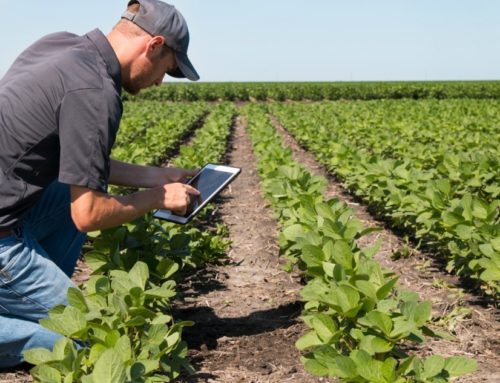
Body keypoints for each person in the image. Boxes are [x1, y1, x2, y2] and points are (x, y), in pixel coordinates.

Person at [0, 0, 200, 368]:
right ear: (153, 45)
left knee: (65, 189)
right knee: (93, 340)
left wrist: (154, 175)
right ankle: (31, 316)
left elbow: (75, 163)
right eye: (166, 70)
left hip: (11, 213)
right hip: (2, 240)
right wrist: (157, 197)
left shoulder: (59, 45)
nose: (158, 82)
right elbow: (88, 215)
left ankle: (33, 301)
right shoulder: (96, 93)